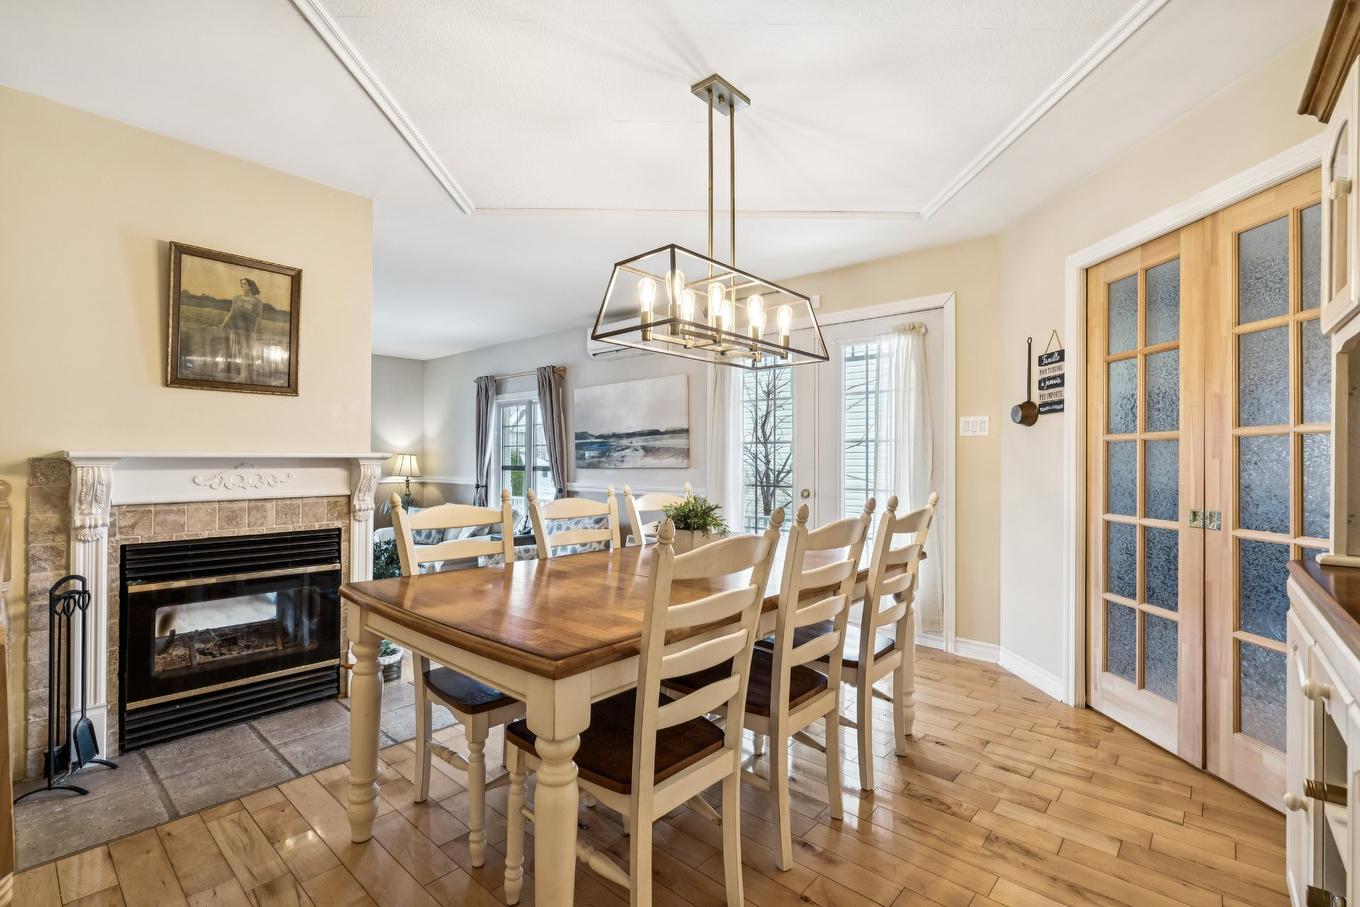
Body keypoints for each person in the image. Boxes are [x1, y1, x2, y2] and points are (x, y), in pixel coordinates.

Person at [222, 277, 264, 382]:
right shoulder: (236, 298)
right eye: (241, 284)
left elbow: (258, 317)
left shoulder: (257, 302)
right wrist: (223, 323)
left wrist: (255, 331)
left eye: (244, 284)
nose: (242, 286)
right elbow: (231, 312)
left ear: (250, 286)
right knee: (239, 350)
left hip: (248, 329)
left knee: (245, 350)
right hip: (235, 326)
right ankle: (242, 374)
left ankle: (244, 374)